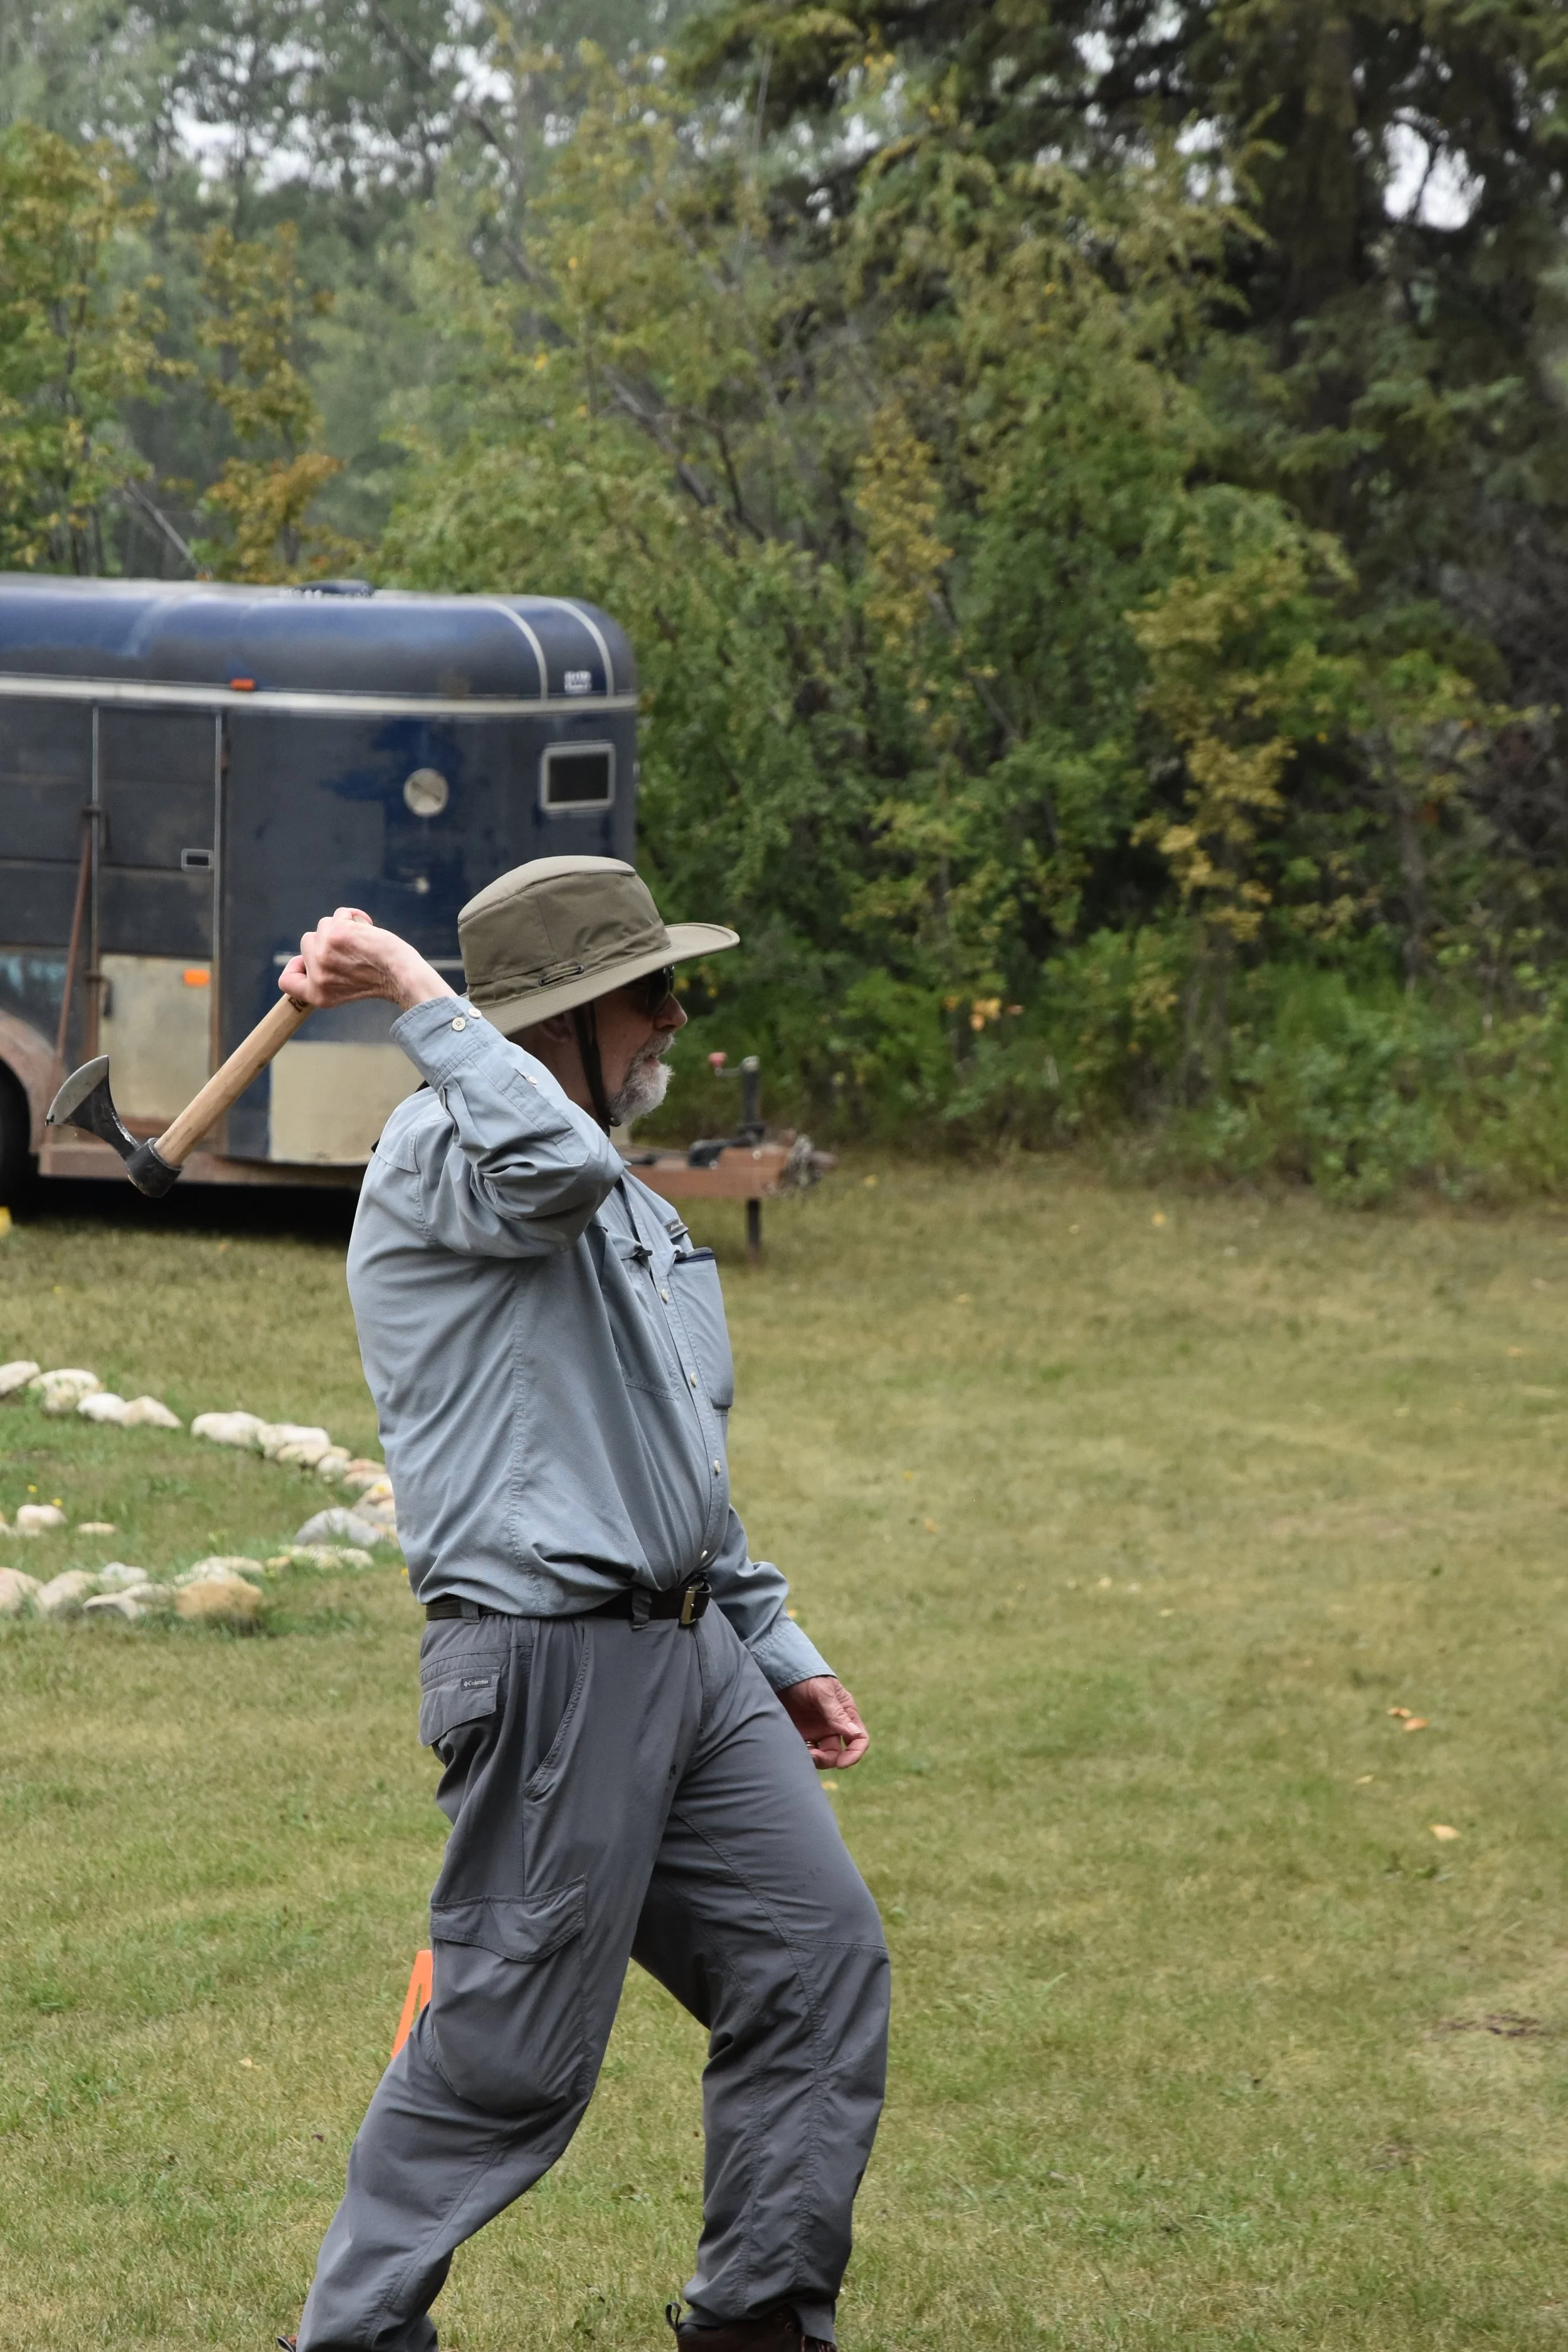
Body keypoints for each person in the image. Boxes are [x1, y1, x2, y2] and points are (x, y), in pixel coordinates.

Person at [275, 856, 889, 2352]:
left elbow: (674, 1453)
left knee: (814, 1966)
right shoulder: (445, 1152)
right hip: (548, 1659)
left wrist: (775, 1644)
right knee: (510, 2057)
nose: (675, 1018)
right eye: (646, 993)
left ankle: (758, 2323)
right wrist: (412, 990)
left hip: (695, 1654)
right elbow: (543, 1167)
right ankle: (355, 2339)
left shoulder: (623, 1196)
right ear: (559, 1021)